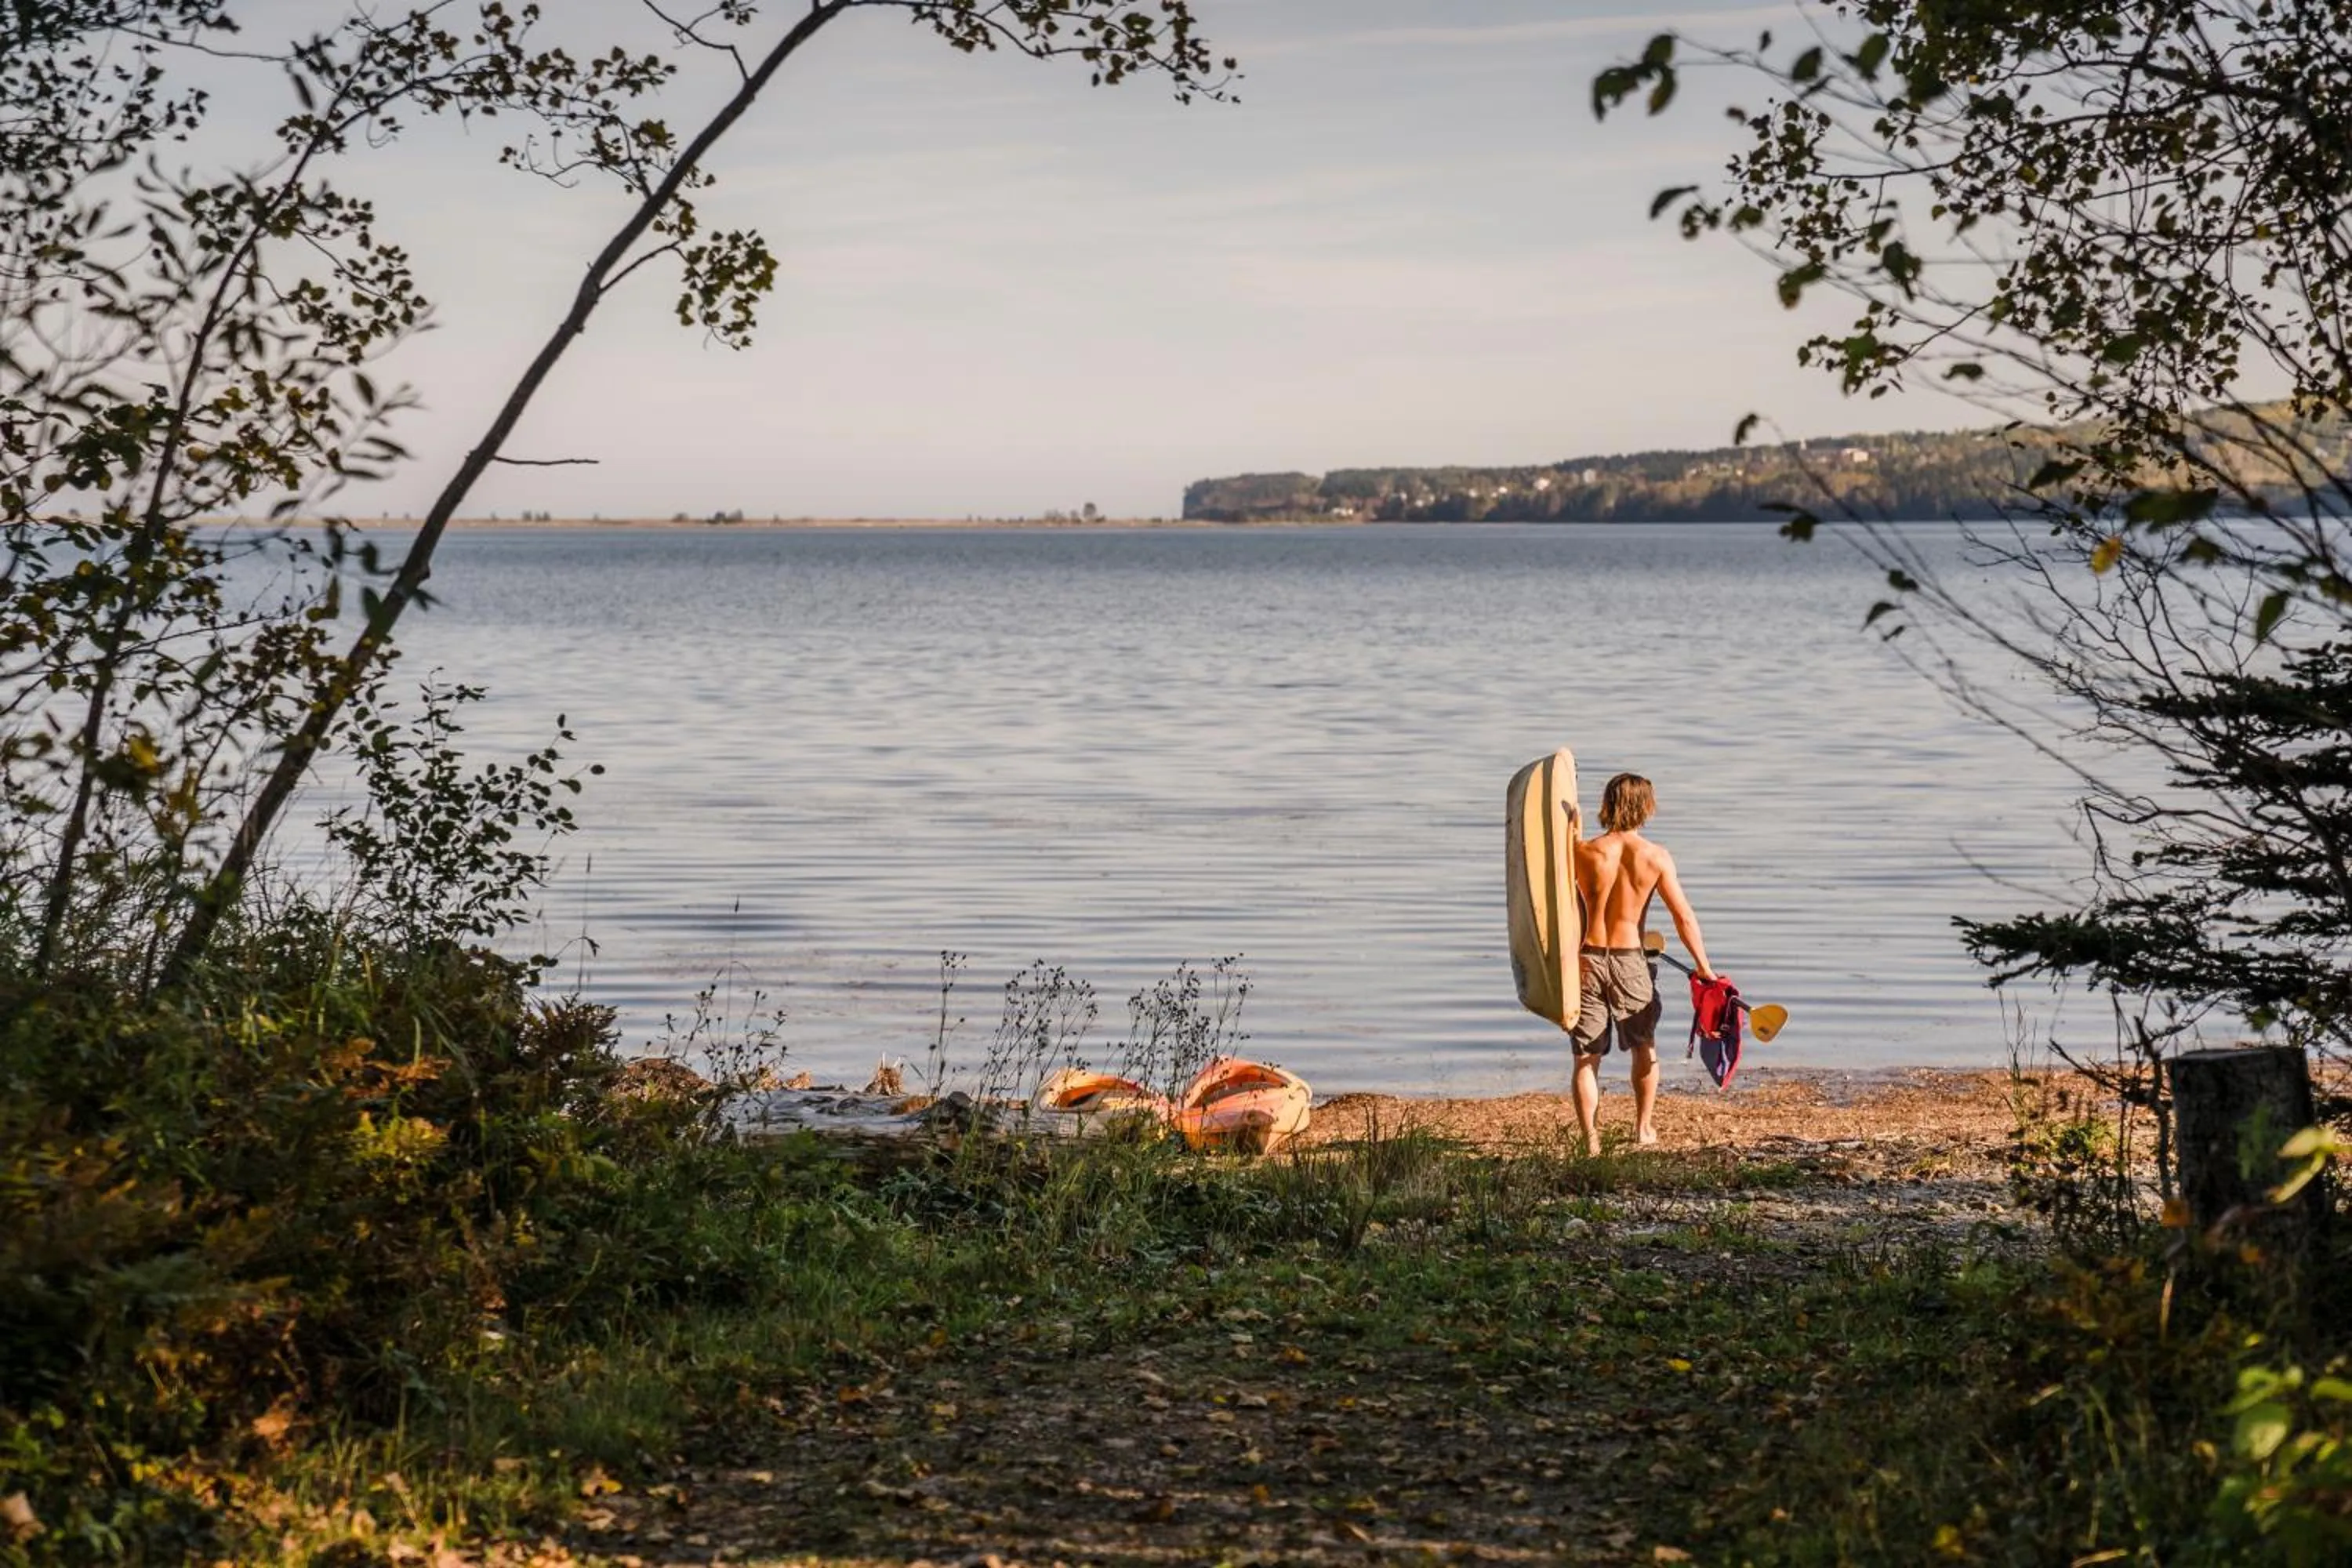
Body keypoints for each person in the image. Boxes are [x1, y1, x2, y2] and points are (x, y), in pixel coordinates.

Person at [1565, 772, 1713, 1155]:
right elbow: (1683, 917)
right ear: (1646, 806)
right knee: (1644, 1046)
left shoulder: (1581, 852)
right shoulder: (1655, 856)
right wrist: (1703, 967)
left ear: (1609, 804)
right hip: (1631, 960)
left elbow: (1555, 908)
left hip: (1587, 959)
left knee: (1586, 1056)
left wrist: (1572, 832)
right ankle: (1643, 1129)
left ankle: (1591, 1142)